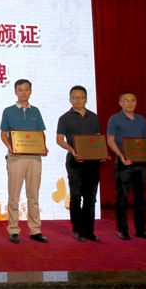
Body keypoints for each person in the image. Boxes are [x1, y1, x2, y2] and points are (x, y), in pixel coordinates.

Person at [0, 79, 49, 244]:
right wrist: (10, 147)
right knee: (14, 196)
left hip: (35, 158)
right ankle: (14, 230)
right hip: (16, 158)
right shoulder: (8, 111)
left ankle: (35, 230)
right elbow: (3, 134)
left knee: (33, 196)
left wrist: (43, 147)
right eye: (20, 90)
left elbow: (40, 134)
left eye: (26, 89)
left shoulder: (36, 111)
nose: (23, 92)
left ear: (31, 91)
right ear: (15, 92)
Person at [106, 91, 146, 241]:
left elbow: (144, 143)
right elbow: (110, 140)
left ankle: (141, 230)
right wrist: (121, 156)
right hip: (124, 164)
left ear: (136, 102)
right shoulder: (114, 119)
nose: (129, 103)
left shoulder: (142, 120)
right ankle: (123, 230)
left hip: (140, 164)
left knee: (141, 199)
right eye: (126, 100)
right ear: (120, 103)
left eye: (132, 100)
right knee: (121, 199)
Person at [56, 85, 102, 242]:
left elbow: (97, 138)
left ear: (86, 99)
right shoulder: (64, 118)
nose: (78, 100)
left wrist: (101, 153)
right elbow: (59, 140)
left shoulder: (93, 117)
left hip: (93, 162)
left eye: (81, 97)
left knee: (91, 197)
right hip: (74, 161)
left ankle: (90, 231)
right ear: (70, 100)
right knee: (76, 196)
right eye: (74, 97)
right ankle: (78, 230)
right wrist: (72, 150)